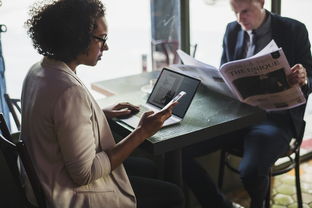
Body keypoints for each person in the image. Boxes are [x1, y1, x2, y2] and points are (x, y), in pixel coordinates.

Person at [21, 0, 184, 207]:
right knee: (173, 195)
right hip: (68, 195)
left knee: (148, 168)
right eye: (101, 38)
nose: (105, 46)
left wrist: (97, 114)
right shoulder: (69, 91)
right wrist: (142, 132)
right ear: (77, 39)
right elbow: (85, 174)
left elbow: (57, 122)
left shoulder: (39, 70)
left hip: (44, 179)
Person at [182, 0, 312, 207]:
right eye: (234, 12)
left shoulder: (293, 29)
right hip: (236, 116)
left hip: (276, 120)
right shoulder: (232, 29)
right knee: (179, 154)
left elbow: (310, 76)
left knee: (251, 171)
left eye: (245, 11)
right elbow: (225, 72)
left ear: (261, 2)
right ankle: (218, 204)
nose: (239, 19)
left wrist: (303, 77)